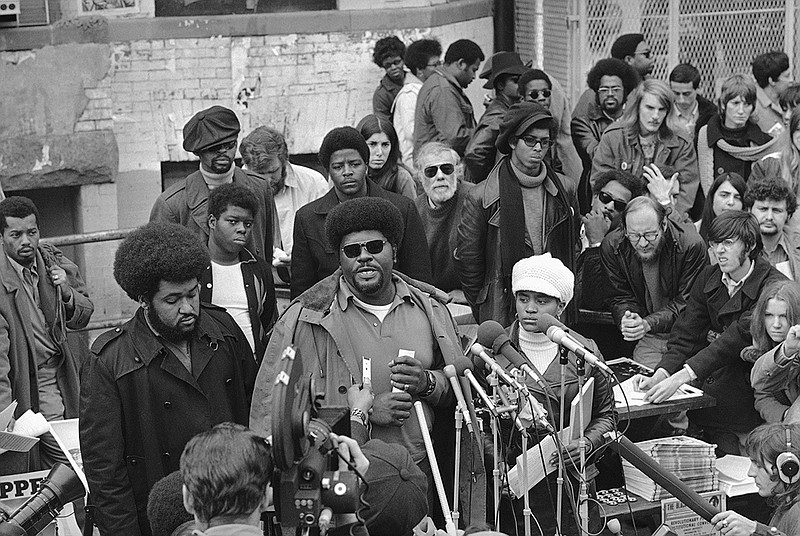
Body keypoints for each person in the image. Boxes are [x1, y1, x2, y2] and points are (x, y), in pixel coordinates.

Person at [250, 197, 483, 521]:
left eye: (375, 246)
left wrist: (428, 383)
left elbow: (460, 393)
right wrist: (365, 412)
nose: (364, 257)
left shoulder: (430, 309)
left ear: (394, 250)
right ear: (339, 259)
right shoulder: (307, 317)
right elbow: (277, 415)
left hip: (414, 478)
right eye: (352, 251)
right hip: (338, 480)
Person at [80, 223, 258, 536]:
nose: (188, 308)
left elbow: (256, 408)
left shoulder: (224, 330)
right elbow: (105, 472)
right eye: (172, 300)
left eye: (192, 294)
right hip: (158, 520)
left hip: (232, 514)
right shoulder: (109, 361)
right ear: (144, 300)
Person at [635, 211, 786, 455]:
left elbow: (733, 339)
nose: (719, 251)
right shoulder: (709, 276)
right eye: (715, 243)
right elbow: (686, 333)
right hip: (707, 399)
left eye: (728, 243)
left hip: (747, 403)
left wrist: (680, 377)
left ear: (749, 245)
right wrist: (661, 374)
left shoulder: (771, 285)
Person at [494, 254, 614, 536]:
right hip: (517, 482)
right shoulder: (495, 351)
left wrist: (586, 442)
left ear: (561, 305)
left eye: (541, 300)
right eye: (523, 298)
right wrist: (498, 465)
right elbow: (480, 422)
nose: (530, 308)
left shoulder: (584, 351)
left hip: (572, 479)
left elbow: (608, 416)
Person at [456, 102, 579, 327]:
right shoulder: (482, 195)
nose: (538, 148)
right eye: (530, 140)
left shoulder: (565, 189)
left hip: (554, 306)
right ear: (512, 141)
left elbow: (574, 247)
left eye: (544, 142)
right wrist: (485, 305)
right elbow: (469, 262)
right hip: (503, 308)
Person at [0, 196, 93, 474]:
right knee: (63, 465)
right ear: (2, 237)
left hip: (66, 375)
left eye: (32, 232)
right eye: (16, 235)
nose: (26, 241)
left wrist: (65, 291)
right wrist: (5, 419)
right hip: (27, 382)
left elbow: (85, 315)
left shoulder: (52, 260)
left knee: (78, 451)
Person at [289, 126, 431, 298]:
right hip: (332, 318)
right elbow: (302, 292)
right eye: (338, 166)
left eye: (354, 164)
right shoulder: (308, 219)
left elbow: (420, 280)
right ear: (328, 171)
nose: (347, 172)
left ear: (366, 165)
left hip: (396, 311)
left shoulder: (402, 209)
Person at [150, 106, 275, 260]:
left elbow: (268, 251)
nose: (223, 152)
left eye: (229, 145)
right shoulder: (172, 204)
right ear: (197, 151)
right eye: (213, 148)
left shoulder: (260, 187)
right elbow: (160, 265)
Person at [601, 196, 707, 369]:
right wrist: (628, 318)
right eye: (634, 235)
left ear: (663, 224)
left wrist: (647, 323)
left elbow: (689, 303)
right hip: (648, 336)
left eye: (650, 235)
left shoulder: (691, 245)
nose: (642, 243)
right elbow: (618, 296)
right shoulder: (613, 245)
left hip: (687, 335)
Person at [591, 79, 700, 217]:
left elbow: (686, 193)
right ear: (637, 107)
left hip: (663, 218)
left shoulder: (681, 142)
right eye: (650, 108)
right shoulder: (614, 137)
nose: (655, 116)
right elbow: (600, 183)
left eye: (661, 109)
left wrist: (670, 219)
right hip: (618, 218)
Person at [238, 125, 328, 277]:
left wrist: (304, 256)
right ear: (246, 167)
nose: (267, 180)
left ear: (285, 161)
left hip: (309, 277)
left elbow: (328, 236)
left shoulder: (314, 183)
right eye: (259, 174)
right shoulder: (235, 188)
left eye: (273, 172)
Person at [201, 184, 277, 361]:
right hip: (209, 373)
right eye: (233, 221)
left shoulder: (259, 270)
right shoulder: (193, 268)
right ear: (212, 222)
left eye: (248, 223)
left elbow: (266, 322)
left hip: (252, 373)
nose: (242, 229)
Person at [571, 58, 638, 213]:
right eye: (604, 89)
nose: (609, 94)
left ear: (625, 91)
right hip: (597, 193)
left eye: (615, 89)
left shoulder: (634, 120)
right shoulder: (582, 123)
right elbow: (596, 155)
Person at [697, 74, 780, 198]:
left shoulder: (764, 143)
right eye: (735, 103)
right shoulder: (706, 136)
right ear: (724, 104)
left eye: (746, 104)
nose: (741, 110)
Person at [711, 423, 800, 536]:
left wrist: (755, 529)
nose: (750, 473)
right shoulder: (786, 502)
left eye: (758, 465)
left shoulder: (797, 511)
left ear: (788, 468)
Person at [575, 170, 645, 314]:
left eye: (619, 205)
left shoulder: (628, 249)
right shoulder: (568, 227)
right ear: (594, 198)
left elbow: (594, 301)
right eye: (605, 198)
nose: (610, 206)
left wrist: (597, 243)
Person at [414, 141, 472, 296]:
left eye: (447, 169)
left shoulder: (475, 199)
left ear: (458, 171)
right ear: (420, 176)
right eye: (431, 171)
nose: (440, 176)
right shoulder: (413, 210)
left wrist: (469, 294)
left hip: (470, 297)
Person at [413, 39, 484, 159]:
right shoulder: (443, 90)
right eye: (474, 70)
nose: (474, 76)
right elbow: (455, 138)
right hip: (438, 165)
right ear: (461, 63)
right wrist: (487, 132)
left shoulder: (440, 83)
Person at [464, 51, 527, 182]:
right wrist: (491, 182)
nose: (521, 86)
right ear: (500, 85)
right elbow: (474, 154)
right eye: (516, 81)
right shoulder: (498, 115)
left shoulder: (507, 110)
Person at [571, 33, 655, 123]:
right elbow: (577, 128)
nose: (652, 57)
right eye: (646, 54)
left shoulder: (653, 88)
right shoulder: (592, 95)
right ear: (629, 59)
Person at [747, 281, 800, 423]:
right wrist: (787, 415)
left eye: (784, 316)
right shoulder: (764, 342)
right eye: (769, 315)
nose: (776, 324)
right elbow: (761, 389)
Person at [517, 69, 582, 185]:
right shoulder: (515, 125)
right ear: (522, 98)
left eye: (546, 93)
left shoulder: (552, 124)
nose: (541, 98)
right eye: (534, 94)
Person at [751, 106, 800, 237]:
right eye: (798, 129)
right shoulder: (768, 164)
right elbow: (752, 207)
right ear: (791, 132)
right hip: (775, 241)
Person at [393, 38, 442, 168]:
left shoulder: (426, 89)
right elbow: (412, 132)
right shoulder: (409, 94)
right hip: (416, 166)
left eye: (440, 63)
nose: (440, 69)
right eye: (435, 65)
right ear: (419, 70)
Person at [746, 177, 800, 280]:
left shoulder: (797, 245)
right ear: (749, 210)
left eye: (777, 210)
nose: (769, 217)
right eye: (763, 209)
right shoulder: (737, 245)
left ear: (788, 215)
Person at [356, 114, 417, 199]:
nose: (379, 152)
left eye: (385, 145)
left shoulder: (402, 178)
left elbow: (412, 210)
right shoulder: (349, 174)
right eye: (373, 144)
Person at [668, 63, 717, 144]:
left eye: (686, 94)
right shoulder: (663, 111)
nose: (681, 100)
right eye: (676, 93)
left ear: (699, 89)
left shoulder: (711, 114)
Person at [697, 172, 747, 244]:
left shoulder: (751, 235)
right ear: (712, 197)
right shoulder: (694, 231)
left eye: (737, 197)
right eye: (724, 195)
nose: (731, 202)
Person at [753, 51, 793, 137]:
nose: (791, 81)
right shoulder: (752, 105)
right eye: (786, 76)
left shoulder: (791, 96)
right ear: (772, 81)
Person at [372, 36, 406, 123]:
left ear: (403, 60)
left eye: (397, 62)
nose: (393, 67)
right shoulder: (381, 95)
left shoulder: (415, 78)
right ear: (382, 66)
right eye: (388, 65)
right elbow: (384, 126)